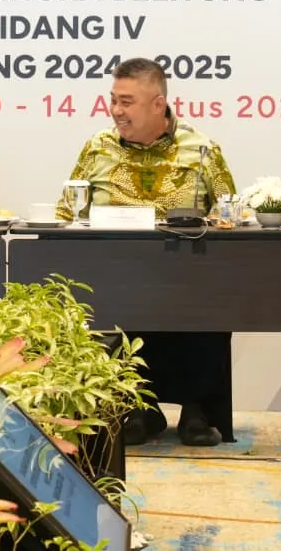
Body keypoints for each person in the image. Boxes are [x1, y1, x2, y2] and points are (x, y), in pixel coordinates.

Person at [56, 57, 237, 447]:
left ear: (158, 104)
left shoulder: (202, 150)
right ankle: (135, 408)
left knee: (209, 300)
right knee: (107, 301)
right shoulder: (97, 148)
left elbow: (230, 215)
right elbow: (67, 213)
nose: (116, 110)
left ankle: (197, 409)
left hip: (187, 278)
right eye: (113, 100)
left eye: (127, 102)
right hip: (115, 276)